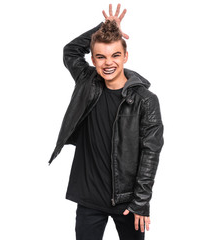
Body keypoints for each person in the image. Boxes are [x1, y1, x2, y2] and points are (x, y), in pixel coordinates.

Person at [49, 4, 164, 240]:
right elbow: (70, 51)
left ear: (125, 56)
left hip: (128, 200)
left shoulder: (145, 100)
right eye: (100, 57)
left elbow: (150, 153)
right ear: (93, 59)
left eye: (115, 55)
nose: (108, 63)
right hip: (89, 199)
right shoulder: (87, 82)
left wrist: (141, 202)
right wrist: (104, 27)